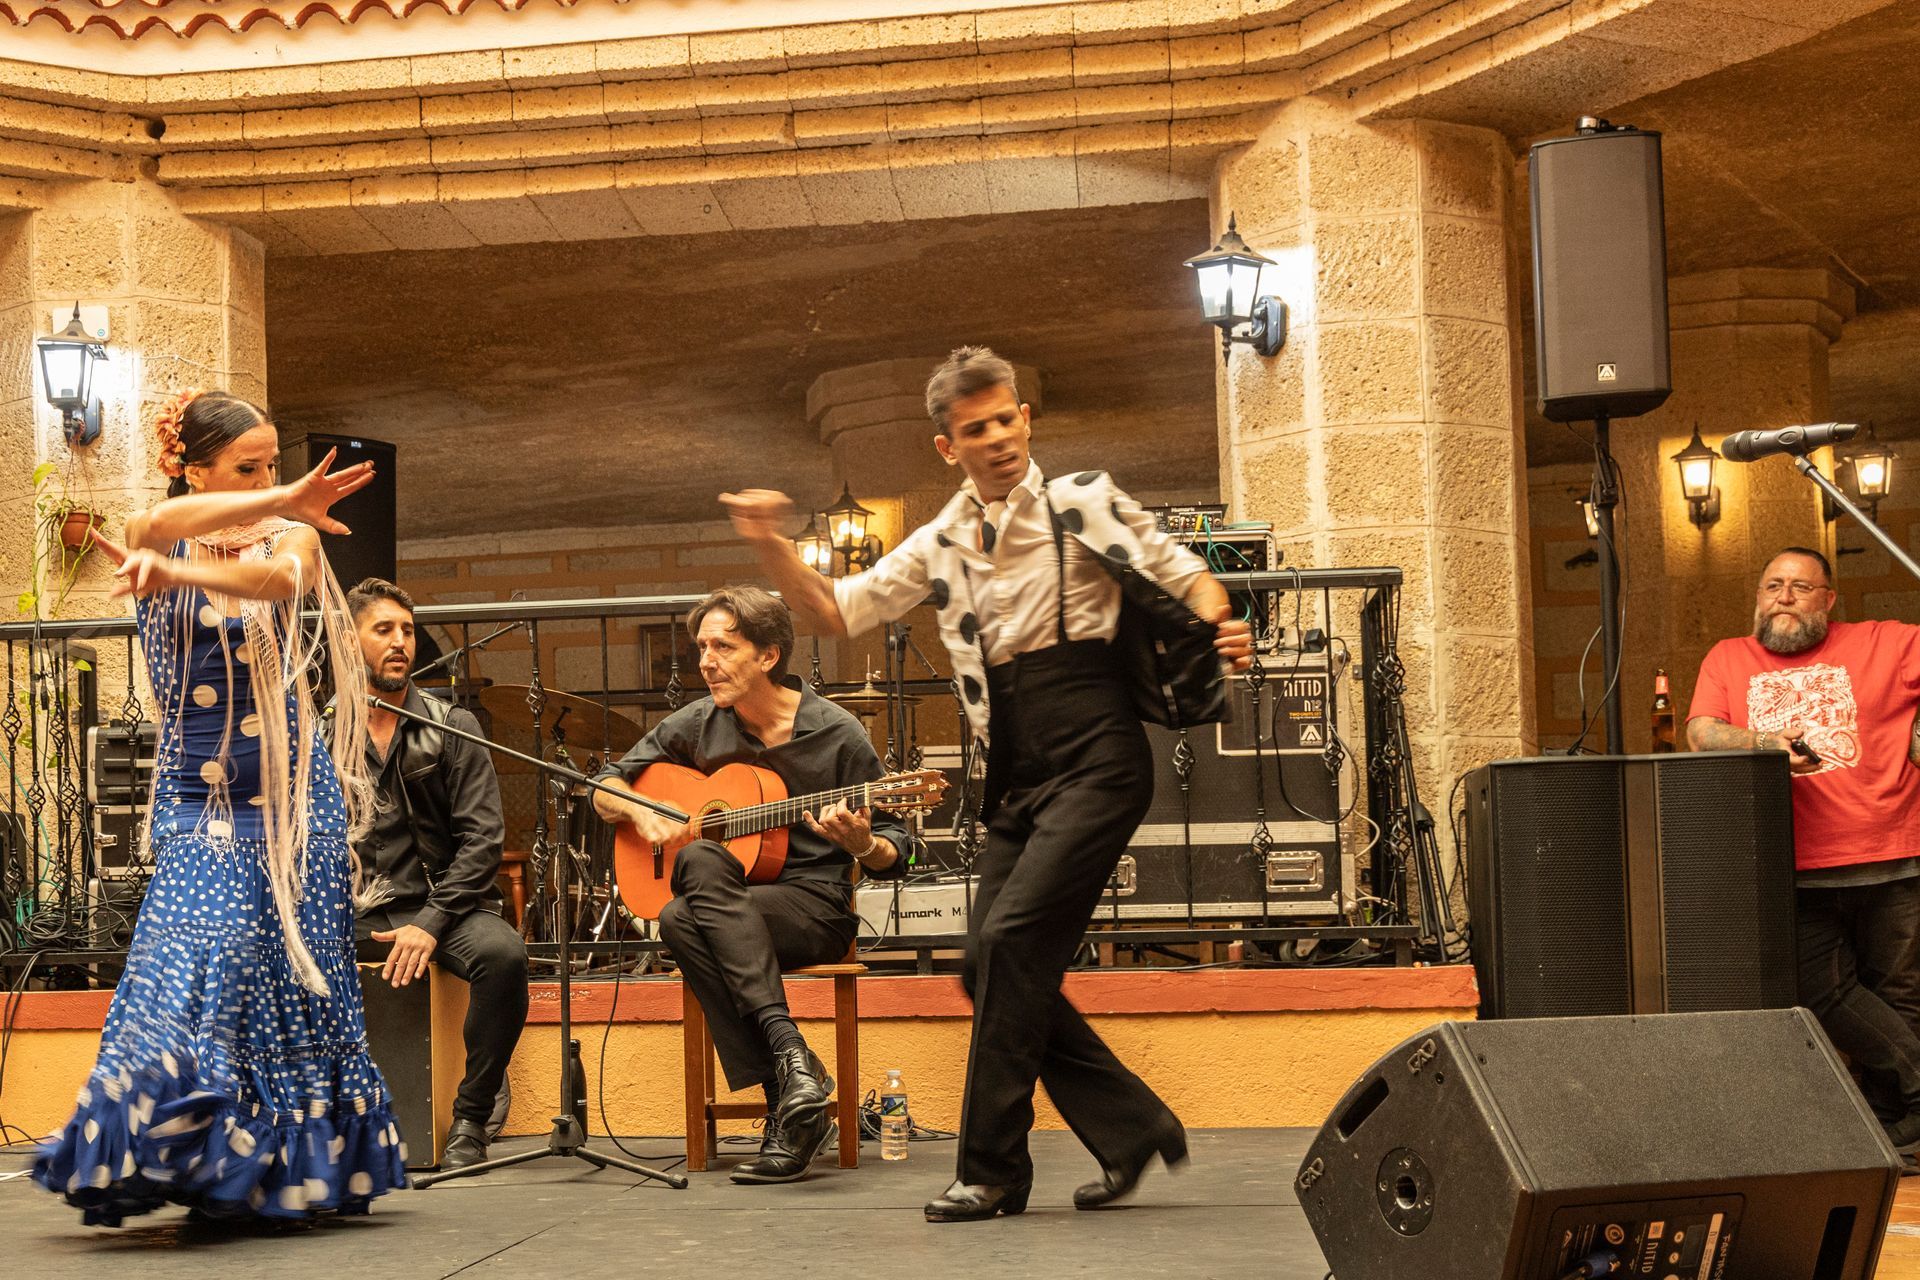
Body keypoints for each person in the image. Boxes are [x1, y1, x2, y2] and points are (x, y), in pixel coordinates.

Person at [721, 345, 1254, 1222]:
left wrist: (1220, 626)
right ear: (948, 446)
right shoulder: (941, 544)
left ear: (1025, 420)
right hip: (1015, 766)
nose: (999, 437)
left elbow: (1185, 575)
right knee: (985, 967)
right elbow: (836, 611)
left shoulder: (1082, 499)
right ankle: (1133, 1127)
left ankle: (994, 1169)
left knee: (1006, 945)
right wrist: (770, 544)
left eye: (1008, 418)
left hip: (1100, 752)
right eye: (978, 428)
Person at [33, 389, 408, 1225]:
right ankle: (189, 1151)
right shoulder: (147, 531)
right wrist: (260, 506)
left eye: (274, 465)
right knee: (211, 949)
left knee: (295, 974)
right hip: (198, 798)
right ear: (194, 471)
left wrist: (197, 562)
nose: (273, 480)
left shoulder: (297, 539)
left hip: (290, 802)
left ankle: (279, 1172)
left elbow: (273, 579)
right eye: (251, 467)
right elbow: (158, 538)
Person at [591, 586, 909, 1183]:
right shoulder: (698, 723)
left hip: (813, 907)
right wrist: (640, 812)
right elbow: (605, 783)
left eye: (724, 647)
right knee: (693, 891)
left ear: (768, 655)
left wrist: (864, 845)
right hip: (729, 904)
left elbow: (899, 850)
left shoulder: (837, 734)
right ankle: (795, 1077)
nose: (705, 661)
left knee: (687, 910)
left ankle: (787, 1081)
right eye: (701, 647)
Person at [1689, 545, 1920, 1153]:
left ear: (1829, 600)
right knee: (1819, 992)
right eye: (1772, 585)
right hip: (1793, 862)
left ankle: (1895, 1129)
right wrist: (1763, 739)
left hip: (1890, 852)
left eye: (1799, 586)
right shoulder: (1728, 657)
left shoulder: (1885, 643)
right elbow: (1700, 732)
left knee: (1899, 994)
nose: (1783, 596)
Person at [347, 577, 528, 1171]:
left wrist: (430, 921)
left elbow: (483, 841)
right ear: (350, 642)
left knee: (503, 956)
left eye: (407, 630)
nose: (400, 642)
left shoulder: (452, 727)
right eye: (383, 630)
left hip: (442, 906)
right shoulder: (321, 732)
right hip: (354, 909)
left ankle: (471, 1116)